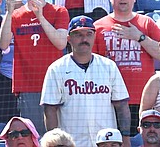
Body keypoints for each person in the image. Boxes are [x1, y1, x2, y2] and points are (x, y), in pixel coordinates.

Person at [0, 0, 69, 134]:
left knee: (59, 137)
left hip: (56, 84)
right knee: (36, 137)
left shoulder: (59, 11)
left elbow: (61, 43)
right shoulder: (15, 15)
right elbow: (2, 45)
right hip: (28, 85)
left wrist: (40, 17)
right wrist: (8, 12)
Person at [41, 16, 130, 147]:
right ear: (68, 38)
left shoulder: (109, 66)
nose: (84, 39)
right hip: (72, 143)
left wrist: (126, 139)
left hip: (106, 142)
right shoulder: (56, 69)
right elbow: (50, 110)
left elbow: (122, 105)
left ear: (94, 36)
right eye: (78, 34)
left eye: (89, 34)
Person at [94, 0, 160, 135]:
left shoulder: (147, 23)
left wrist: (139, 37)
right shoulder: (98, 27)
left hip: (142, 100)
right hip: (110, 101)